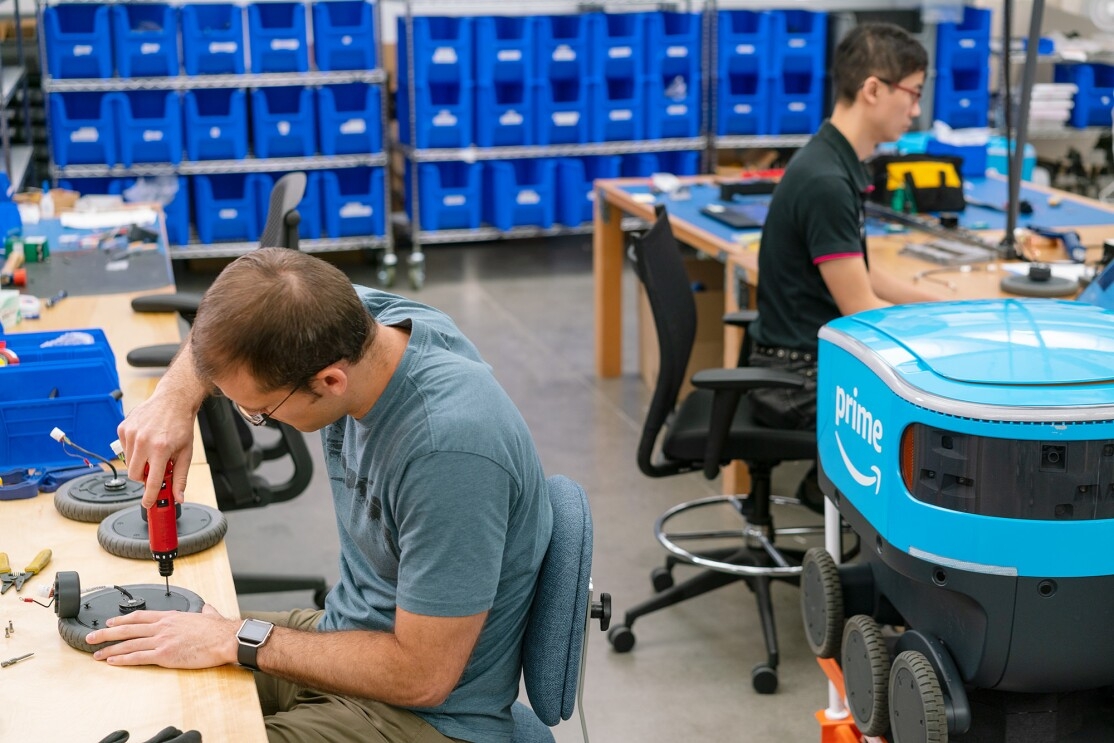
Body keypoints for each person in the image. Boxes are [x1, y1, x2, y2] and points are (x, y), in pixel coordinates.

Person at [89, 248, 554, 743]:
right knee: (133, 664)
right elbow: (229, 329)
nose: (258, 419)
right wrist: (173, 399)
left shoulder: (450, 451)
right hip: (347, 631)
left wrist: (234, 639)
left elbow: (423, 677)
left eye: (259, 412)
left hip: (425, 716)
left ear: (331, 380)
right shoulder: (346, 320)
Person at [748, 21, 946, 434]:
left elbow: (860, 270)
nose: (915, 111)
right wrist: (934, 331)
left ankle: (827, 491)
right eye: (913, 94)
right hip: (798, 380)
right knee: (934, 416)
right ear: (873, 90)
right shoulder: (826, 181)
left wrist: (932, 305)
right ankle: (839, 494)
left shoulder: (833, 159)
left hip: (800, 360)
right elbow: (860, 308)